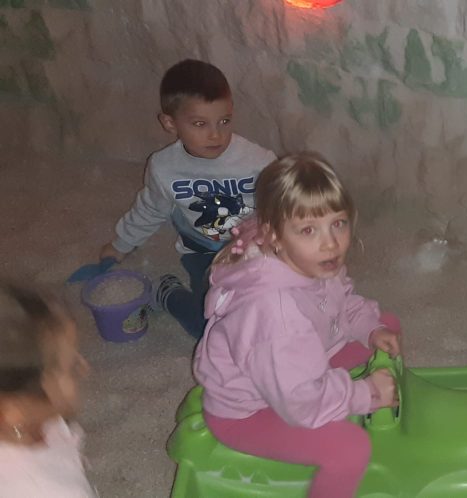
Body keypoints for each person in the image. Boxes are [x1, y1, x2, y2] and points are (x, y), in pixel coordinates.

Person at [193, 153, 401, 498]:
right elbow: (300, 402)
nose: (330, 242)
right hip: (250, 411)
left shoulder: (312, 259)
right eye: (308, 230)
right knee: (350, 450)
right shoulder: (276, 315)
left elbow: (341, 303)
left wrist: (370, 329)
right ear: (275, 236)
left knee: (385, 327)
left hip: (297, 362)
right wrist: (367, 394)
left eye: (338, 223)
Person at [97, 59, 277, 339]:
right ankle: (168, 293)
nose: (216, 134)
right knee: (213, 326)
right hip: (204, 253)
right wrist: (121, 244)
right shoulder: (164, 167)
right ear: (170, 123)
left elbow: (285, 208)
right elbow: (151, 209)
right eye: (200, 124)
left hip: (257, 249)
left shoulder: (259, 161)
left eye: (224, 121)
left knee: (280, 311)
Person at [0, 282, 94, 497]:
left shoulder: (35, 417)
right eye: (71, 367)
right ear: (16, 411)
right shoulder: (44, 490)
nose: (85, 368)